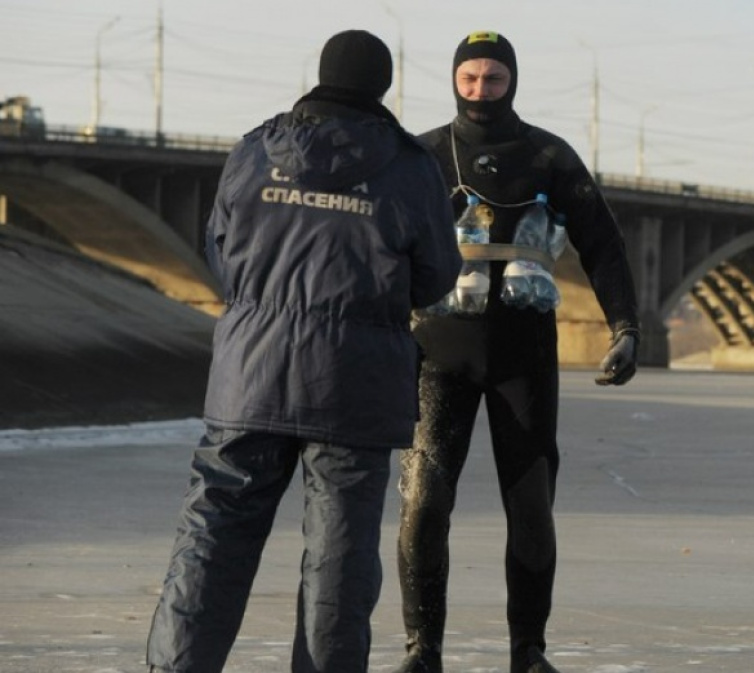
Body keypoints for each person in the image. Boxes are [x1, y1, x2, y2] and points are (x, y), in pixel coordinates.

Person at [145, 29, 462, 673]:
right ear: (383, 86)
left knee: (212, 539)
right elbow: (435, 280)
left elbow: (222, 256)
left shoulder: (255, 150)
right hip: (353, 387)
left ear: (320, 76)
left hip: (250, 378)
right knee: (339, 559)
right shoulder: (410, 167)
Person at [394, 30, 640, 673]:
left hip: (522, 354)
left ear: (513, 81)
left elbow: (603, 244)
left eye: (493, 79)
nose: (480, 91)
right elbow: (382, 250)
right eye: (469, 78)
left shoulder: (548, 156)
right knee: (425, 500)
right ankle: (423, 650)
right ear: (454, 79)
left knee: (530, 504)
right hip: (437, 354)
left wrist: (625, 327)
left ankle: (528, 652)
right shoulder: (421, 156)